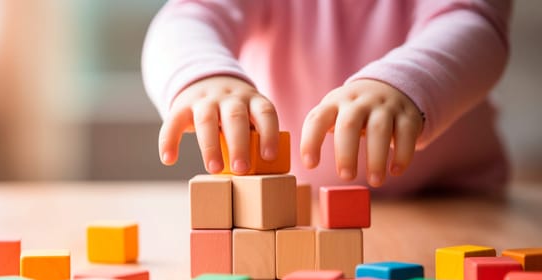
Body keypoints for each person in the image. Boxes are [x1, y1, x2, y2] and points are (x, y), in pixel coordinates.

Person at [142, 0, 511, 196]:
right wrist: (205, 74)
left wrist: (406, 82)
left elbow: (472, 25)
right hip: (301, 204)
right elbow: (189, 16)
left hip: (453, 196)